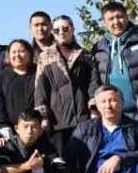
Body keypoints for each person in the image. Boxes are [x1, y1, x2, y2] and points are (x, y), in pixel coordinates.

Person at [34, 16, 96, 154]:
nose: (61, 32)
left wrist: (94, 110)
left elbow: (93, 84)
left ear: (73, 29)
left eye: (65, 28)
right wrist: (43, 117)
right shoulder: (45, 57)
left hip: (83, 117)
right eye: (56, 30)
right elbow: (41, 89)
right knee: (63, 164)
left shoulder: (85, 55)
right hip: (58, 120)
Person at [0, 39, 36, 140]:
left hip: (36, 128)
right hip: (11, 131)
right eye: (13, 52)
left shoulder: (38, 73)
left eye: (21, 51)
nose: (17, 55)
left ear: (29, 53)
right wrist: (2, 124)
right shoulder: (1, 77)